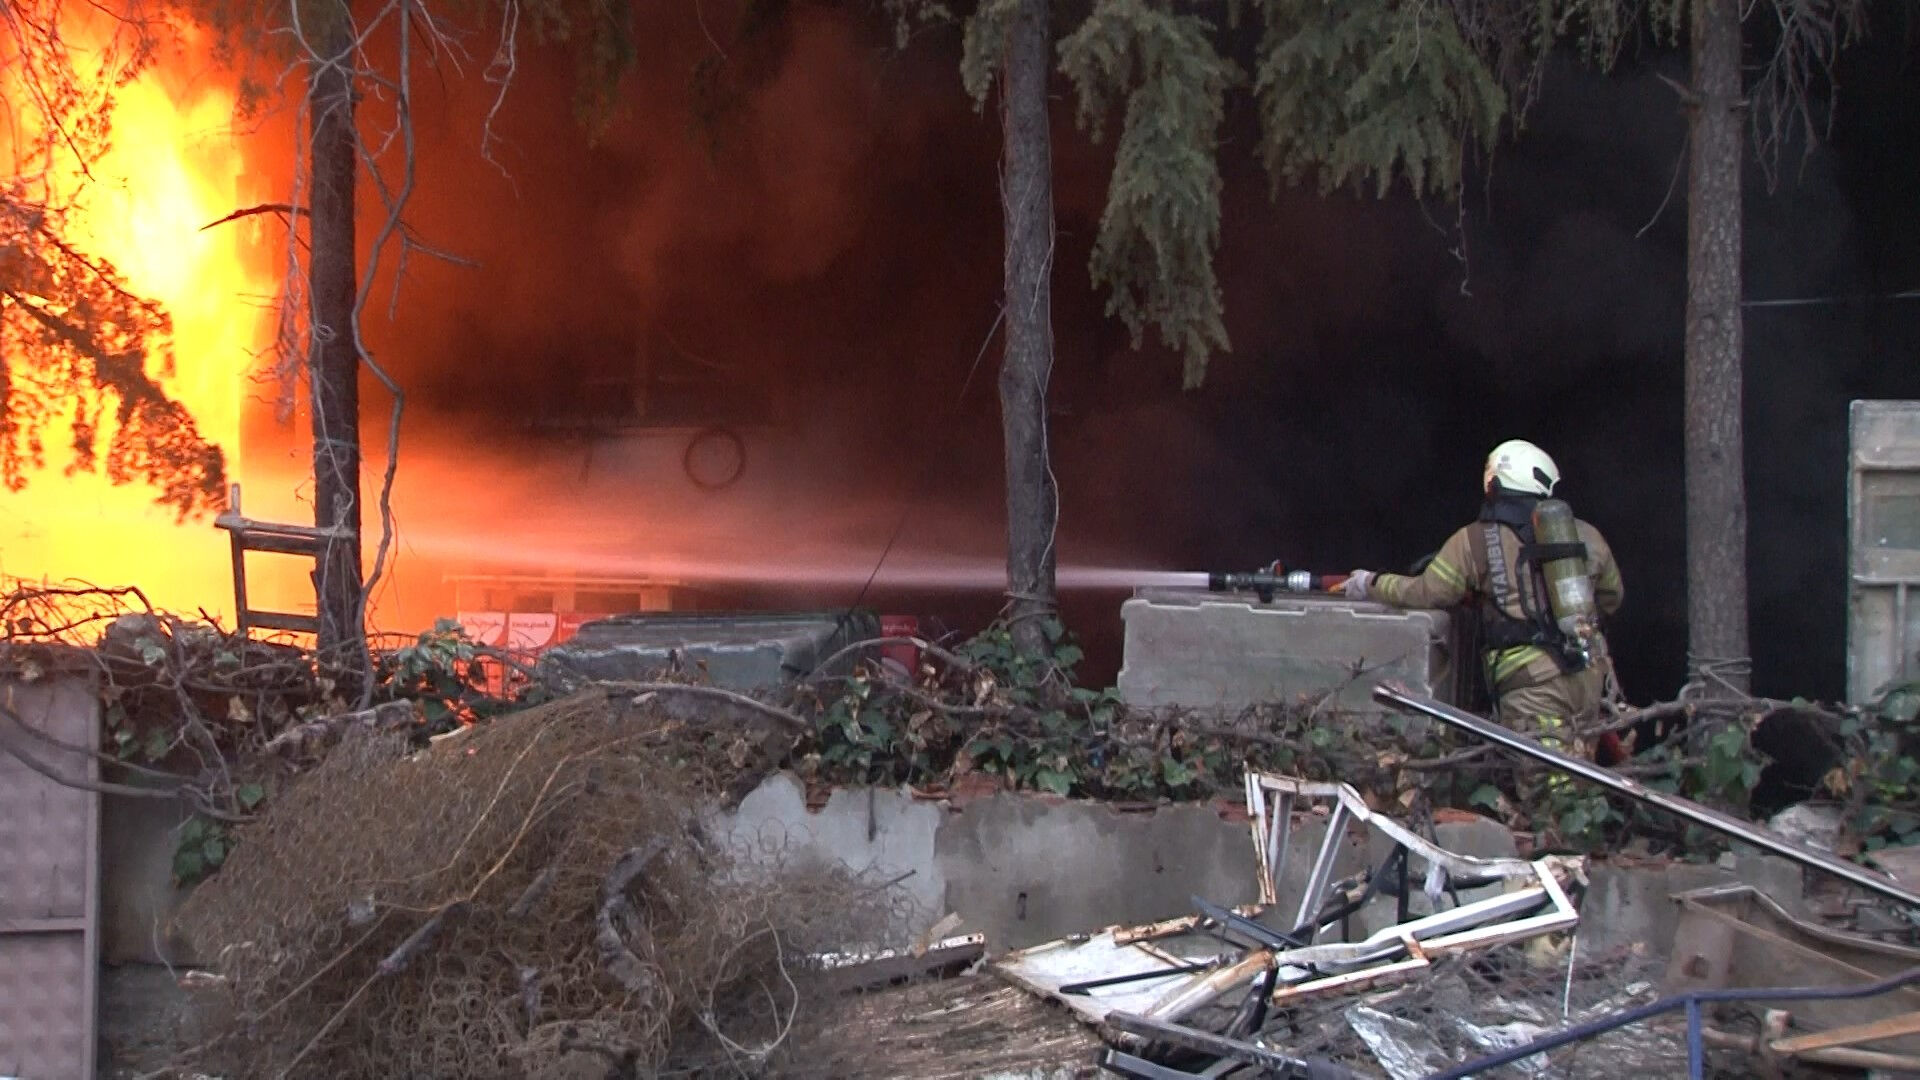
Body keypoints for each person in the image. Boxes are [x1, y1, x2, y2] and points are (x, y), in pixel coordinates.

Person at [1343, 440, 1625, 756]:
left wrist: (1371, 583)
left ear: (1496, 483)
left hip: (1531, 685)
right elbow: (1612, 597)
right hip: (1587, 674)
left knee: (1548, 788)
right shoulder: (1587, 535)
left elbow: (1428, 592)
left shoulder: (1475, 539)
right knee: (1582, 773)